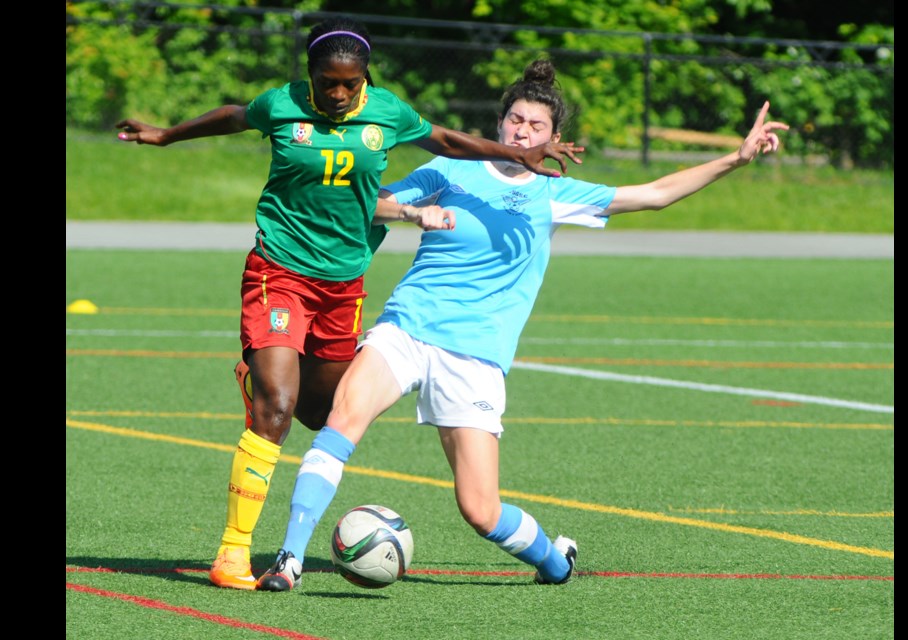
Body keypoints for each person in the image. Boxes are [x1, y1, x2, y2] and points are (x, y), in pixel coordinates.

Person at [254, 58, 789, 591]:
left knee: (480, 510)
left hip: (475, 356)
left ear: (555, 138)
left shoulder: (555, 193)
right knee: (343, 420)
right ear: (500, 124)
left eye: (535, 126)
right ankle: (290, 559)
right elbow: (372, 203)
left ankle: (555, 561)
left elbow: (653, 195)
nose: (522, 131)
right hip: (407, 328)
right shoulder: (450, 170)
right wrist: (416, 213)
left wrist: (735, 160)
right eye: (515, 120)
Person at [115, 18, 584, 591]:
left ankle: (261, 377)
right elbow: (234, 115)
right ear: (309, 75)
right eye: (327, 82)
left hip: (343, 284)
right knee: (277, 405)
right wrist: (165, 135)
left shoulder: (387, 111)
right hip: (279, 269)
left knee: (318, 411)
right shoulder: (282, 105)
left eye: (350, 83)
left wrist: (528, 153)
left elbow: (450, 142)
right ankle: (234, 555)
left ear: (365, 78)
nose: (338, 94)